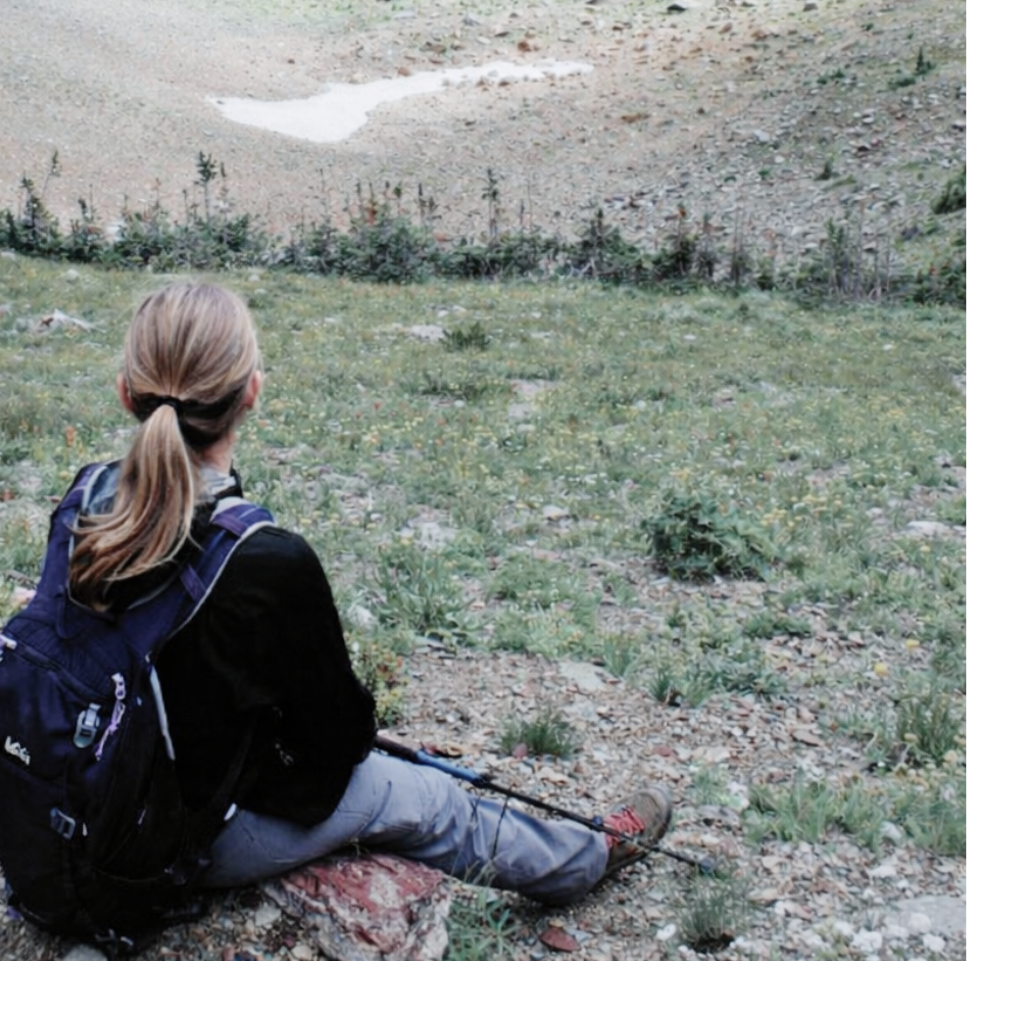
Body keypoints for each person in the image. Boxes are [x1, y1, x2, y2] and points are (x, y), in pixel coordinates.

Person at [67, 279, 672, 908]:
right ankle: (587, 856)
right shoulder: (267, 559)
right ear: (251, 391)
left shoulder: (84, 501)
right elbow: (335, 751)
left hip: (66, 801)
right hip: (174, 843)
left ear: (125, 393)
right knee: (433, 801)